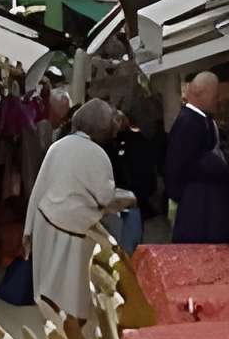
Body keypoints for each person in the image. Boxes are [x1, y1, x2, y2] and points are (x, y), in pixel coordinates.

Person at [24, 98, 134, 325]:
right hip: (74, 230)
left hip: (45, 221)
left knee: (51, 291)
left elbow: (40, 188)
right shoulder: (96, 153)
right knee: (77, 293)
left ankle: (58, 337)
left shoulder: (59, 146)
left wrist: (29, 230)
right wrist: (129, 197)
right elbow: (105, 196)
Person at [164, 70, 229, 243]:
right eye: (215, 94)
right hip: (198, 207)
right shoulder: (188, 122)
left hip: (206, 204)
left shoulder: (202, 119)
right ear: (200, 93)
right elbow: (177, 166)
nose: (218, 99)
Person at [106, 107, 157, 253]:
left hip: (129, 201)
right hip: (126, 201)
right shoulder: (113, 144)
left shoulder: (132, 143)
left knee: (127, 250)